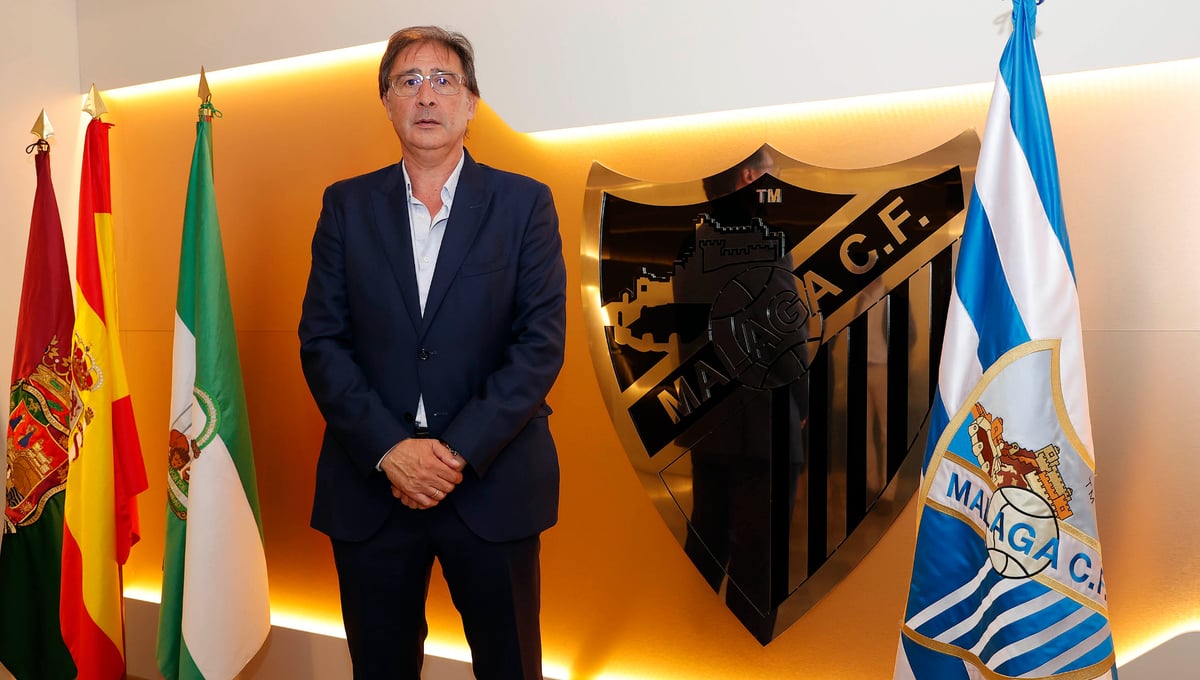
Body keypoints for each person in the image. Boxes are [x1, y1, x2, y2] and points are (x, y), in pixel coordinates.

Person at [298, 25, 567, 679]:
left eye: (444, 80)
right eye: (408, 81)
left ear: (471, 102)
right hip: (373, 486)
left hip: (492, 481)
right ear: (387, 102)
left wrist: (454, 453)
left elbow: (539, 343)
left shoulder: (524, 204)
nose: (426, 96)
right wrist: (391, 450)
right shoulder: (346, 206)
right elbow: (323, 340)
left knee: (511, 666)